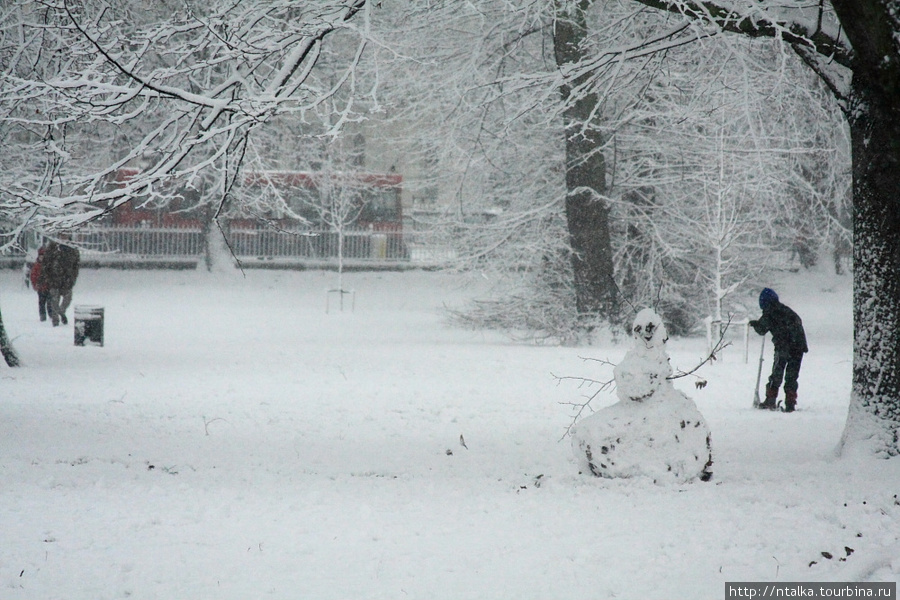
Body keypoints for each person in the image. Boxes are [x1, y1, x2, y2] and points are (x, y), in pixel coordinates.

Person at [749, 288, 808, 412]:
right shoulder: (786, 310)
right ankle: (790, 403)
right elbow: (797, 323)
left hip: (784, 347)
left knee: (777, 373)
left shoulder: (769, 312)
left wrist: (755, 324)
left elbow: (761, 330)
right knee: (792, 375)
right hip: (799, 346)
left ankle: (770, 400)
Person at [43, 234, 80, 327]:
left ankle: (61, 312)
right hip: (54, 278)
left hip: (67, 279)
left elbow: (76, 265)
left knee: (68, 298)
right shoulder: (52, 247)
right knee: (54, 300)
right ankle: (55, 320)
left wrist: (73, 277)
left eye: (66, 234)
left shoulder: (73, 248)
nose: (64, 236)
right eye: (62, 234)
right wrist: (48, 276)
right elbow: (46, 263)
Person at [29, 246, 53, 322]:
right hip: (41, 288)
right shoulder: (36, 266)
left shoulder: (49, 266)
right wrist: (35, 284)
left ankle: (51, 315)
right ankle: (43, 316)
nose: (42, 258)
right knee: (42, 303)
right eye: (41, 256)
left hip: (49, 287)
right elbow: (33, 276)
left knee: (50, 303)